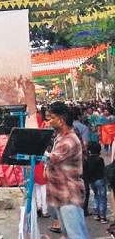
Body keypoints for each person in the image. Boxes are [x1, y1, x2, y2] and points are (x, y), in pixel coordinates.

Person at [45, 101, 90, 239]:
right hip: (61, 194)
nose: (49, 121)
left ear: (61, 120)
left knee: (76, 235)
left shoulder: (69, 140)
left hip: (69, 195)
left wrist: (35, 147)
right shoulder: (60, 137)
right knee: (68, 234)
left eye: (51, 118)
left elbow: (52, 158)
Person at [86, 141, 108, 223]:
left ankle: (97, 214)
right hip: (100, 179)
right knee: (102, 197)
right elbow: (103, 171)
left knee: (96, 196)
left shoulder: (88, 159)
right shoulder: (100, 159)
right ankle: (103, 216)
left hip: (92, 180)